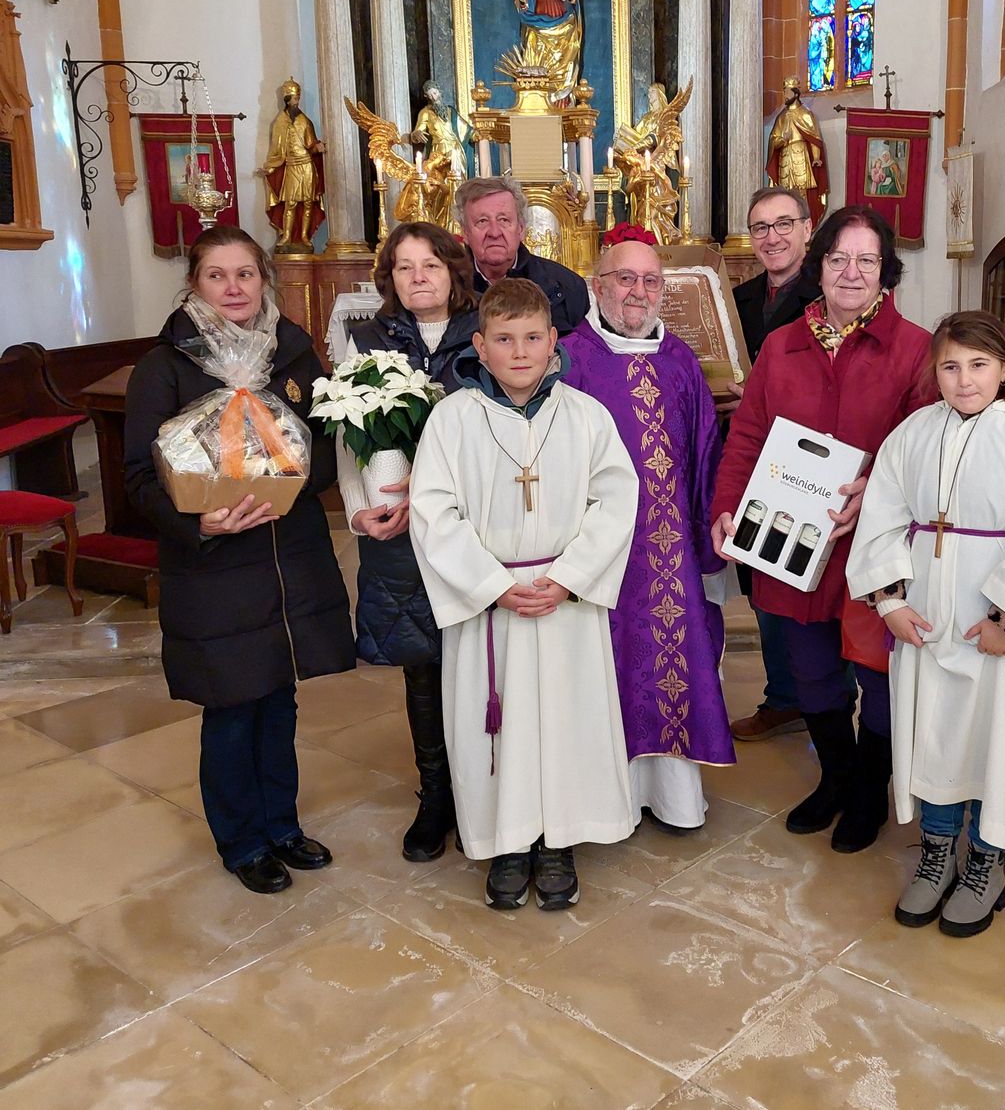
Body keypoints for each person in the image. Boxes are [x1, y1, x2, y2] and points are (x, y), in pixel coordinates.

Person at [123, 226, 354, 894]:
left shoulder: (293, 352)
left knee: (277, 697)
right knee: (232, 704)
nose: (232, 288)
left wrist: (290, 487)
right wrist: (200, 518)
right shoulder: (163, 368)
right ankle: (242, 840)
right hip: (216, 564)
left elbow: (326, 441)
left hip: (288, 555)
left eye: (245, 275)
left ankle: (281, 823)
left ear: (265, 280)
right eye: (217, 276)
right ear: (194, 283)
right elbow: (141, 475)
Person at [847, 311, 1005, 936]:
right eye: (951, 367)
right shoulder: (912, 434)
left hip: (1001, 630)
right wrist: (890, 603)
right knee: (935, 736)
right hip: (928, 622)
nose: (964, 380)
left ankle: (986, 862)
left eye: (979, 365)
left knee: (997, 742)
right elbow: (881, 516)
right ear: (935, 371)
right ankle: (935, 856)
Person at [409, 278, 639, 911]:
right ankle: (508, 843)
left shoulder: (586, 416)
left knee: (565, 721)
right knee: (498, 728)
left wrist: (568, 577)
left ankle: (556, 841)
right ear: (479, 346)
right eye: (504, 339)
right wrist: (494, 585)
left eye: (532, 338)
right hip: (493, 602)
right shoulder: (453, 418)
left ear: (553, 343)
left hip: (563, 597)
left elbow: (616, 501)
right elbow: (433, 512)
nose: (519, 352)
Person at [711, 205, 934, 853]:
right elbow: (748, 433)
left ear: (885, 272)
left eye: (867, 260)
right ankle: (836, 775)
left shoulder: (917, 349)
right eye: (839, 259)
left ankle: (870, 786)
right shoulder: (783, 344)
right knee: (809, 669)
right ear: (820, 266)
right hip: (791, 538)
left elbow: (930, 450)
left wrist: (881, 491)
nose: (852, 272)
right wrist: (727, 503)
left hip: (876, 545)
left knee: (881, 675)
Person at [562, 240, 734, 833]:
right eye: (625, 279)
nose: (638, 292)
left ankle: (670, 796)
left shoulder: (680, 360)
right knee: (603, 667)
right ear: (598, 283)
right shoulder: (567, 359)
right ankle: (604, 797)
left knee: (672, 664)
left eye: (651, 281)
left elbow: (707, 453)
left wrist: (709, 547)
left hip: (671, 554)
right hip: (598, 557)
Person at [335, 222, 479, 863]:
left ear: (453, 271)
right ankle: (435, 796)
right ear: (388, 278)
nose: (418, 276)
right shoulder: (365, 340)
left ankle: (484, 791)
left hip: (472, 527)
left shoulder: (482, 335)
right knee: (421, 660)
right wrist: (359, 512)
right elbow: (346, 436)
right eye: (403, 267)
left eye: (431, 265)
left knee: (478, 661)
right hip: (393, 529)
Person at [721, 187, 824, 742]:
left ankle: (818, 696)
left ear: (809, 228)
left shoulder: (828, 292)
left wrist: (758, 396)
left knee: (805, 580)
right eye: (760, 227)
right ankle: (785, 695)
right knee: (761, 585)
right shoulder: (738, 299)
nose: (771, 237)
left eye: (784, 224)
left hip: (806, 461)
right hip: (749, 454)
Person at [454, 176, 588, 335]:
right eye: (482, 221)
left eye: (504, 220)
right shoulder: (448, 287)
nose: (494, 232)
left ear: (521, 229)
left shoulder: (568, 286)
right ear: (465, 233)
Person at [262, 78, 325, 252]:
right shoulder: (280, 122)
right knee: (290, 203)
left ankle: (304, 236)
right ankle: (287, 235)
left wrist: (318, 148)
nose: (297, 101)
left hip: (306, 166)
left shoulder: (305, 121)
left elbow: (311, 145)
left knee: (307, 203)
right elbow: (277, 148)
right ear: (288, 99)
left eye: (298, 98)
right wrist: (271, 166)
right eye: (295, 98)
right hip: (291, 166)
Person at [766, 77, 829, 224]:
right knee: (784, 194)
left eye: (787, 92)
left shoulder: (806, 113)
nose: (785, 95)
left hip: (801, 156)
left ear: (795, 93)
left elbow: (814, 138)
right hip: (785, 158)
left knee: (802, 194)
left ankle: (802, 225)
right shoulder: (781, 117)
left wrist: (816, 157)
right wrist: (782, 139)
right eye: (784, 92)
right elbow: (774, 140)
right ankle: (785, 223)